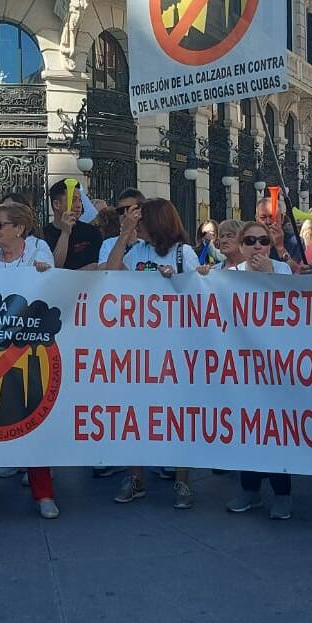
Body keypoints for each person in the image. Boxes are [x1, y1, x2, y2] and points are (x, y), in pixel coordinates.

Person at [0, 202, 58, 520]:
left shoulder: (38, 249)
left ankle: (43, 493)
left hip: (28, 349)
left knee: (30, 417)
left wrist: (47, 277)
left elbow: (49, 291)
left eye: (0, 225)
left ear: (19, 229)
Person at [110, 199, 195, 509]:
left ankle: (182, 480)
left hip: (173, 345)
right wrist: (125, 234)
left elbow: (197, 293)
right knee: (137, 411)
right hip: (139, 345)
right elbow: (112, 271)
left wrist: (176, 279)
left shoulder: (182, 253)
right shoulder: (140, 251)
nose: (138, 224)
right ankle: (135, 477)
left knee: (177, 412)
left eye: (142, 220)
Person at [226, 220, 294, 519]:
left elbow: (291, 311)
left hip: (276, 366)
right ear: (240, 246)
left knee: (276, 430)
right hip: (241, 367)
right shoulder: (227, 276)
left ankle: (282, 494)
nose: (257, 246)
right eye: (251, 240)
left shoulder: (282, 271)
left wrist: (268, 275)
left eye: (263, 241)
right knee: (247, 428)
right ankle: (249, 489)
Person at [104, 197, 191, 274]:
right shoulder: (137, 250)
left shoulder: (183, 252)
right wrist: (125, 233)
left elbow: (197, 286)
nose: (136, 224)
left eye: (140, 219)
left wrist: (174, 278)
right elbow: (111, 273)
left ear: (155, 222)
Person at [42, 180, 102, 270]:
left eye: (80, 200)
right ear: (56, 204)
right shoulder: (43, 235)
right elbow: (53, 269)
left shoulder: (92, 232)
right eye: (73, 200)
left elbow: (95, 267)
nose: (79, 205)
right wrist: (65, 233)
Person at [255, 195, 303, 266]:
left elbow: (296, 271)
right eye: (263, 217)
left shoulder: (295, 241)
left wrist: (280, 248)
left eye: (272, 217)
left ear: (282, 218)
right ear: (256, 219)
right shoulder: (248, 240)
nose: (268, 222)